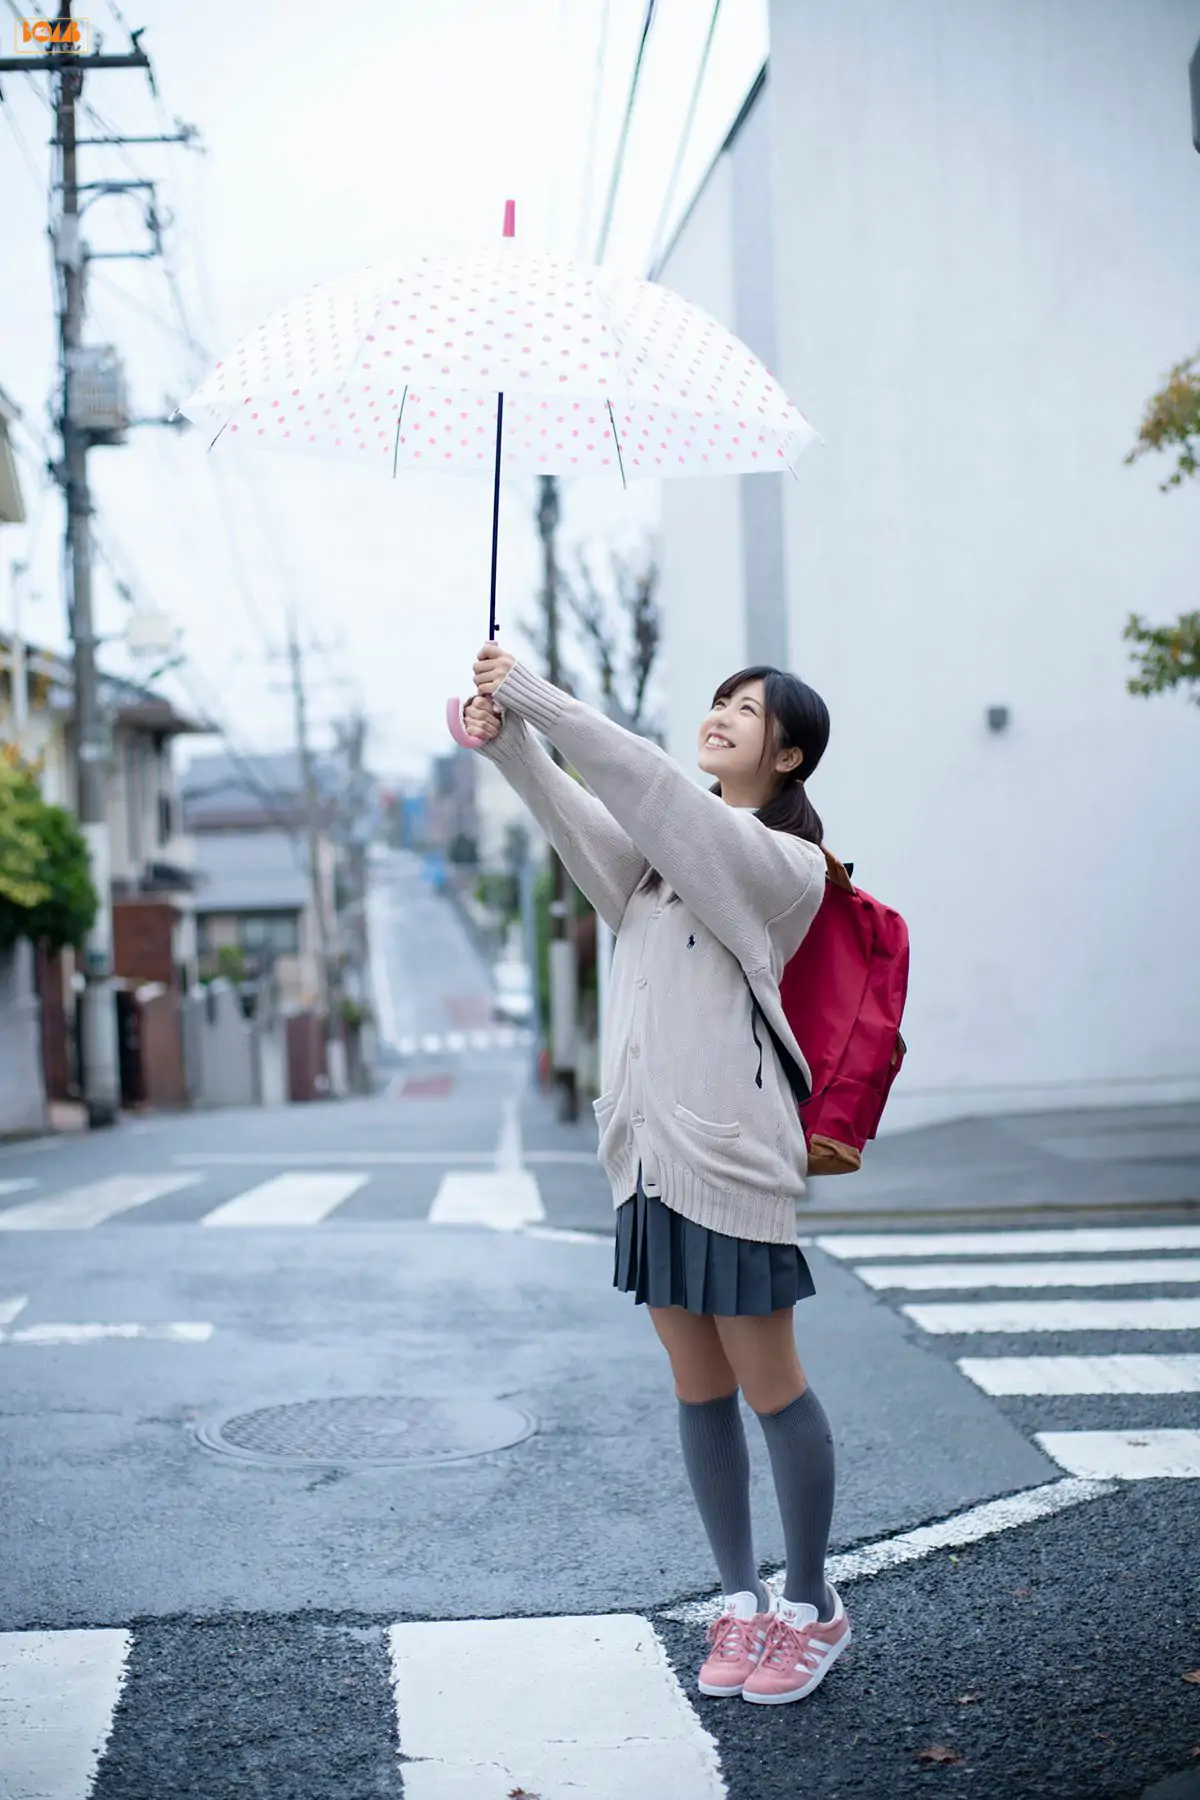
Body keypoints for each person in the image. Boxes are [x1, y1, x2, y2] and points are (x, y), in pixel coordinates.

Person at [463, 641, 850, 1708]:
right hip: (646, 1158)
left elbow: (645, 785)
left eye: (749, 710)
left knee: (773, 1388)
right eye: (719, 698)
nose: (722, 713)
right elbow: (591, 827)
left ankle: (812, 1604)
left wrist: (535, 694)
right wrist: (513, 750)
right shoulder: (659, 867)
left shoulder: (781, 870)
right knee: (699, 1392)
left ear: (792, 754)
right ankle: (739, 1599)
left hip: (727, 1154)